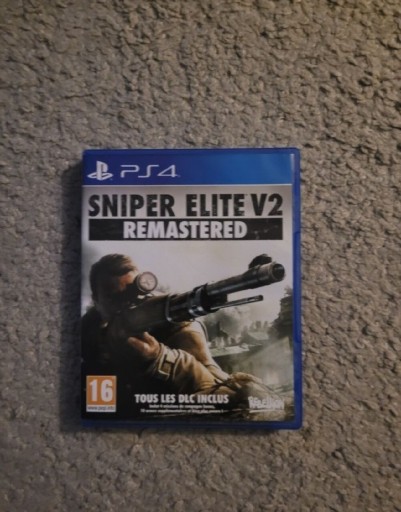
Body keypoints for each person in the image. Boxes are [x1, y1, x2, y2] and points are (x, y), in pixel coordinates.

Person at [81, 254, 275, 418]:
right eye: (114, 298)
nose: (127, 306)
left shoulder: (176, 325)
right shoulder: (86, 332)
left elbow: (223, 392)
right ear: (96, 301)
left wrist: (159, 358)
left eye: (134, 295)